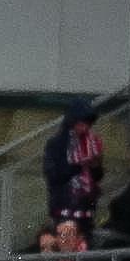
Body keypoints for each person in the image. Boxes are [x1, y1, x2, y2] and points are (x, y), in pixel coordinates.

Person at [43, 97, 103, 233]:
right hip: (63, 206)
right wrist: (78, 166)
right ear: (72, 121)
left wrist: (94, 166)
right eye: (81, 123)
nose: (85, 128)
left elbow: (98, 176)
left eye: (88, 124)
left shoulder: (92, 143)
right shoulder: (57, 144)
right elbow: (53, 175)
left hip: (86, 207)